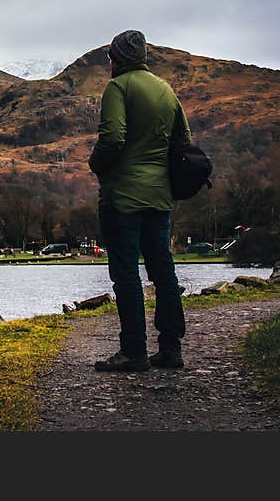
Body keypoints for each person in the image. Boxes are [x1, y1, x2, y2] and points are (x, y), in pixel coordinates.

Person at [88, 29, 191, 371]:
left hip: (124, 198)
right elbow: (184, 139)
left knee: (126, 273)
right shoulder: (165, 89)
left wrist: (97, 165)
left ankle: (134, 351)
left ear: (116, 59)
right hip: (160, 197)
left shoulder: (118, 87)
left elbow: (113, 136)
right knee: (163, 270)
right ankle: (171, 348)